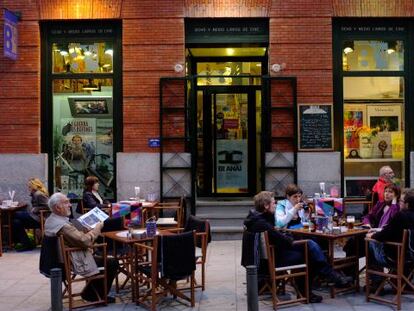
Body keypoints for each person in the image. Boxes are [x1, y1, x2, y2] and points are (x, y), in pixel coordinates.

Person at [244, 191, 352, 303]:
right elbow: (284, 240)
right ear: (266, 206)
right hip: (273, 260)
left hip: (273, 254)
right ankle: (317, 285)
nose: (275, 205)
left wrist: (284, 234)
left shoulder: (257, 218)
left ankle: (327, 277)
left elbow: (279, 236)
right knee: (309, 253)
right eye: (273, 203)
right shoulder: (262, 222)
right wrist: (288, 236)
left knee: (309, 247)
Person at [44, 192, 118, 303]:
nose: (70, 205)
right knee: (112, 262)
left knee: (102, 255)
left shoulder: (51, 220)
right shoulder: (63, 226)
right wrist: (97, 227)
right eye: (66, 202)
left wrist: (84, 230)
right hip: (75, 260)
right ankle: (92, 295)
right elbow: (85, 241)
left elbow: (75, 237)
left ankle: (92, 292)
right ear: (58, 207)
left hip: (63, 260)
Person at [366, 188, 414, 289]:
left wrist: (372, 236)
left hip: (396, 258)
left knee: (369, 244)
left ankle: (377, 283)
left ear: (407, 204)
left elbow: (384, 235)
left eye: (401, 201)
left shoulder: (401, 216)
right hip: (411, 256)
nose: (399, 203)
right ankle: (405, 284)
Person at [343, 184, 401, 259]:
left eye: (390, 192)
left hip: (382, 237)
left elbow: (394, 217)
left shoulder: (397, 207)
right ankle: (350, 265)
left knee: (356, 243)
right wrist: (367, 223)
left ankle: (348, 266)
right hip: (373, 232)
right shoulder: (380, 204)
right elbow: (368, 216)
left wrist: (394, 203)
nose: (387, 194)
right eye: (385, 191)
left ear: (396, 195)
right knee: (355, 240)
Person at [13, 178, 49, 251]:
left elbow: (49, 206)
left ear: (34, 186)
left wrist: (36, 209)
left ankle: (19, 242)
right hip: (35, 217)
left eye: (29, 186)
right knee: (16, 222)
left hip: (39, 218)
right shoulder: (35, 194)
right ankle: (27, 244)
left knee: (15, 214)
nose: (28, 188)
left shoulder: (39, 194)